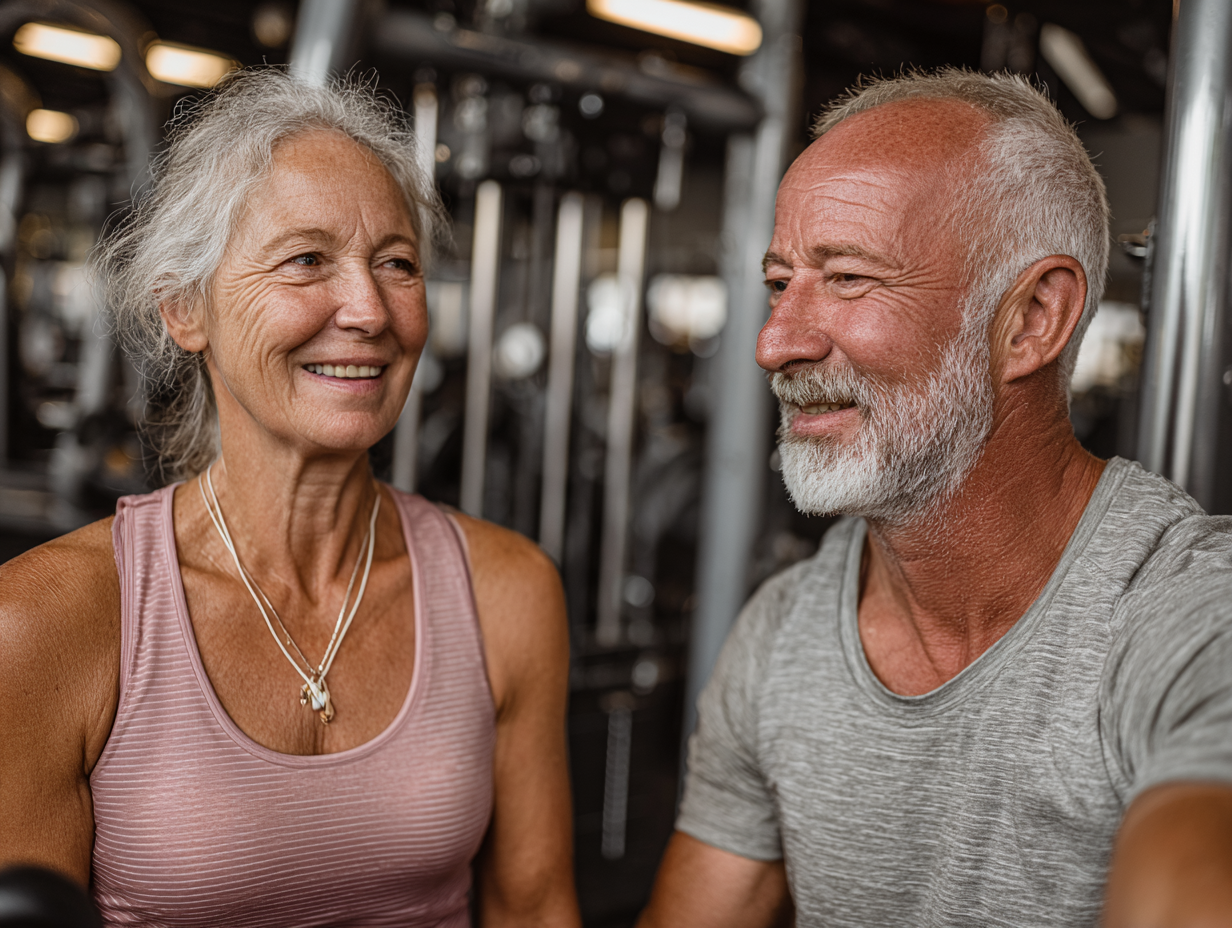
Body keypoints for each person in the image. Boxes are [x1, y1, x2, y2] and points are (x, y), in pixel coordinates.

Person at [640, 68, 1232, 928]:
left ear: (1032, 318)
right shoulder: (782, 634)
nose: (775, 342)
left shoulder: (1187, 613)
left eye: (847, 279)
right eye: (780, 282)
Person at [0, 69, 580, 927]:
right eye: (308, 259)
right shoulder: (48, 622)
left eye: (398, 264)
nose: (369, 309)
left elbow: (534, 909)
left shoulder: (509, 591)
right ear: (185, 308)